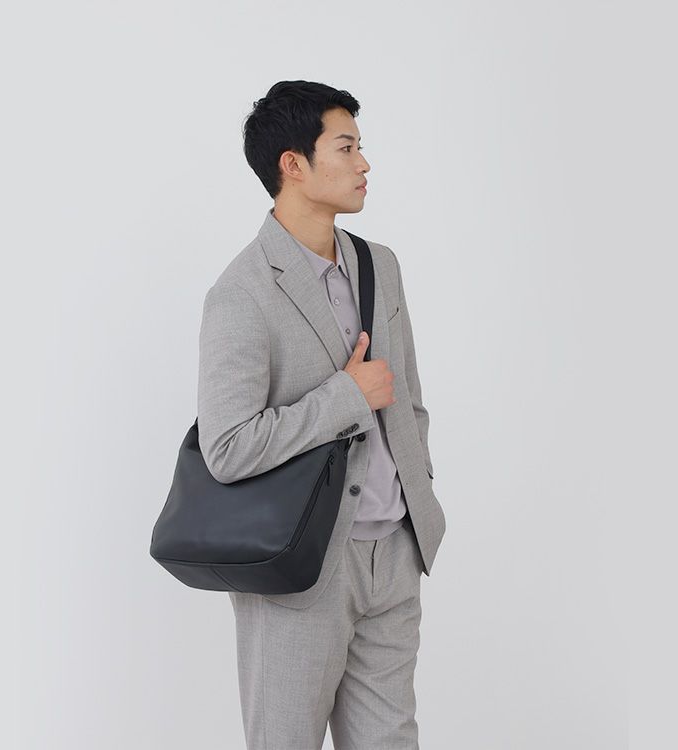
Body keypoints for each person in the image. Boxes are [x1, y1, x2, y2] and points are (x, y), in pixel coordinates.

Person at [196, 80, 445, 750]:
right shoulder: (241, 293)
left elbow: (408, 397)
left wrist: (417, 489)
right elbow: (227, 446)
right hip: (300, 569)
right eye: (347, 147)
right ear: (293, 164)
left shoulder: (379, 265)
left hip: (395, 552)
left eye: (360, 147)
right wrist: (345, 396)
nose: (364, 163)